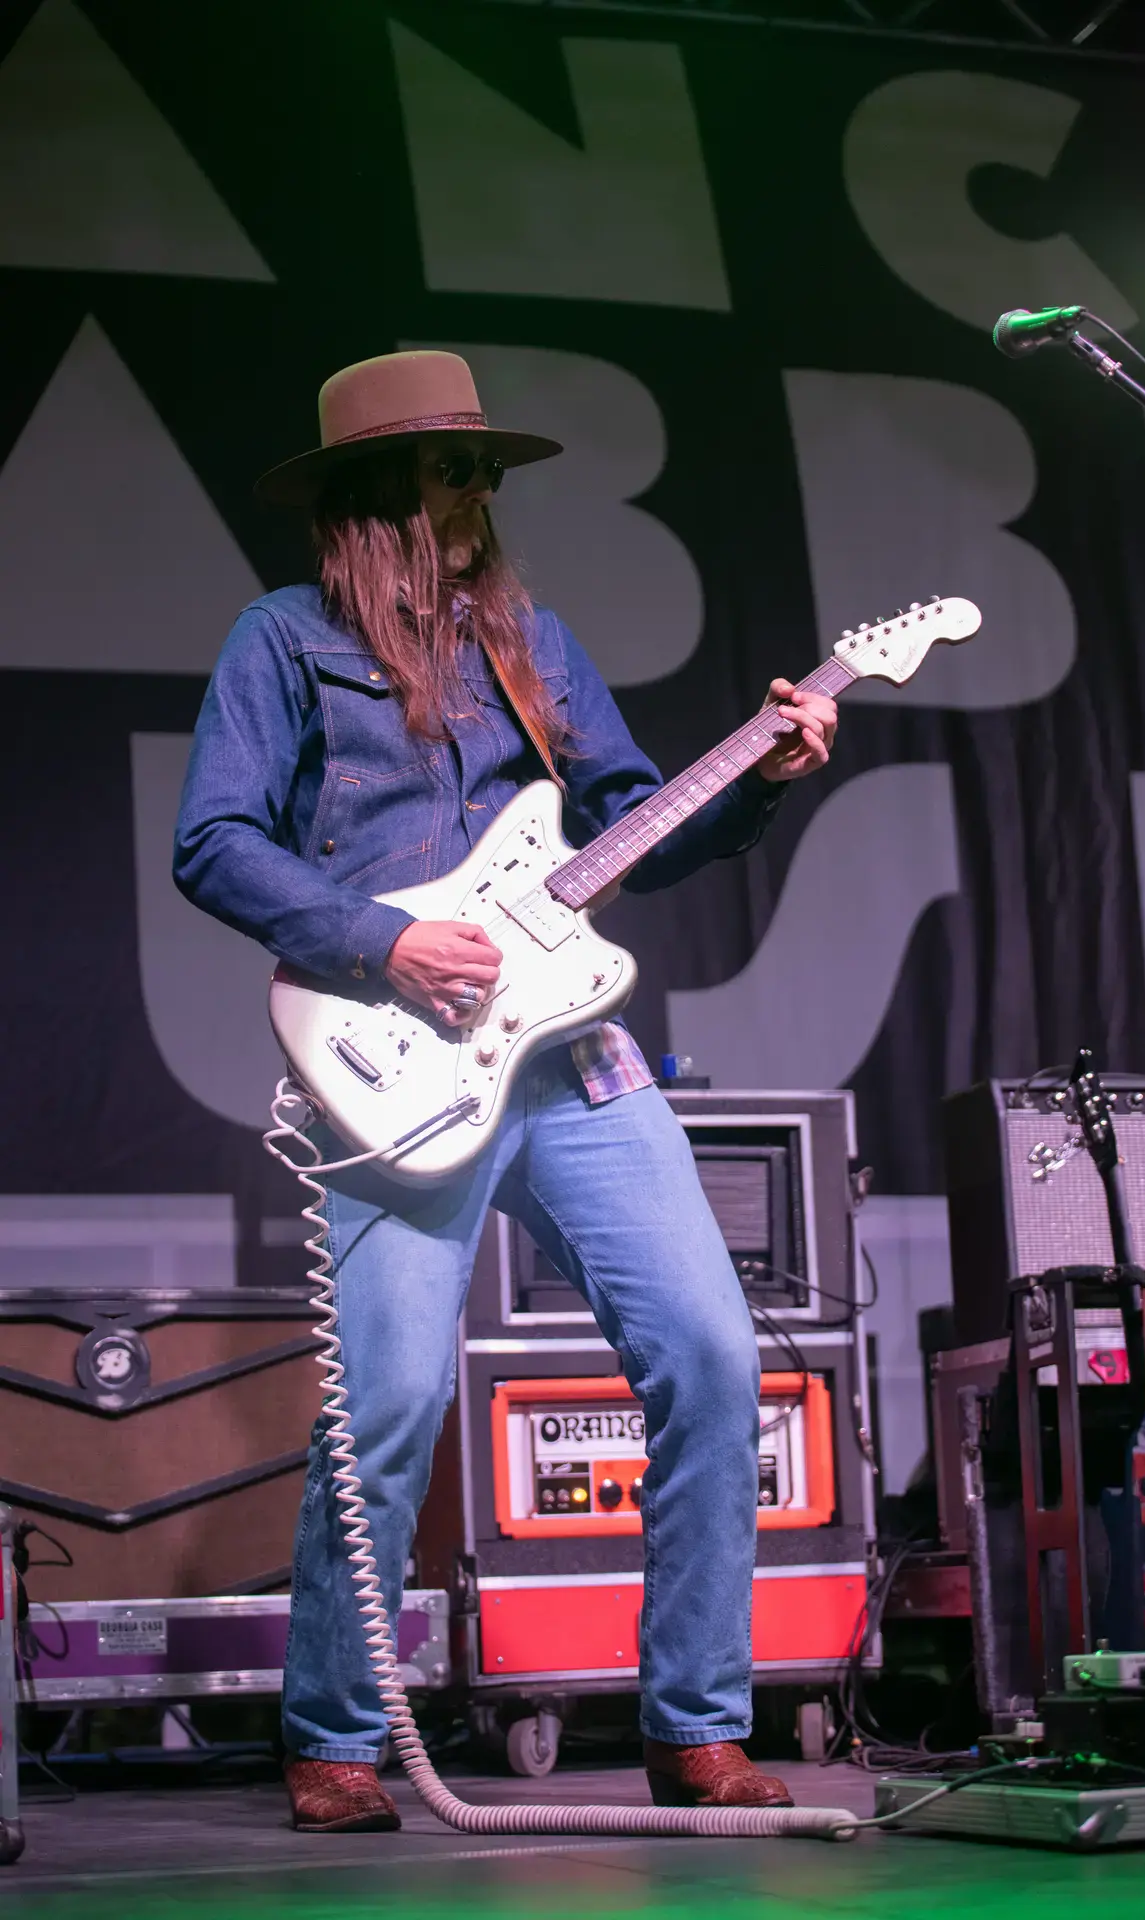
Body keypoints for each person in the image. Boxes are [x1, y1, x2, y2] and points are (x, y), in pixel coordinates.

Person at [175, 351, 838, 1834]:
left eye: (487, 468)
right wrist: (386, 939)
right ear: (378, 492)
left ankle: (696, 1726)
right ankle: (338, 1735)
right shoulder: (282, 643)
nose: (482, 492)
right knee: (390, 1404)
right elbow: (214, 842)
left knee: (713, 1356)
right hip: (398, 1063)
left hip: (574, 1058)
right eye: (453, 467)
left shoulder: (532, 644)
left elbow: (634, 822)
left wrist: (763, 777)